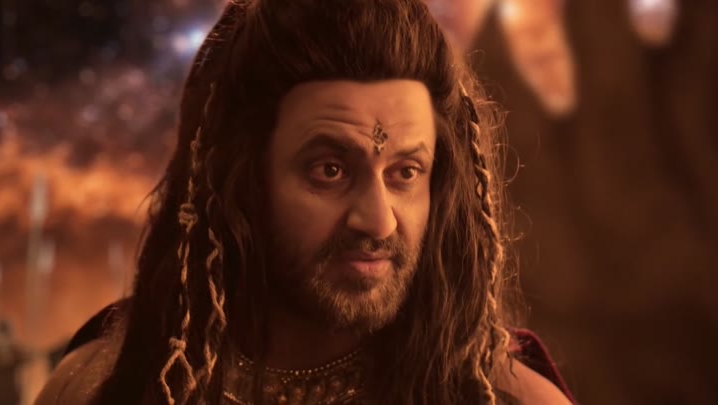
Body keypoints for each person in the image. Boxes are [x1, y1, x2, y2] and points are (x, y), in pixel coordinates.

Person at [36, 0, 574, 403]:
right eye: (330, 171)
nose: (378, 220)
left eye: (405, 173)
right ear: (243, 181)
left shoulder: (503, 399)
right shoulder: (106, 385)